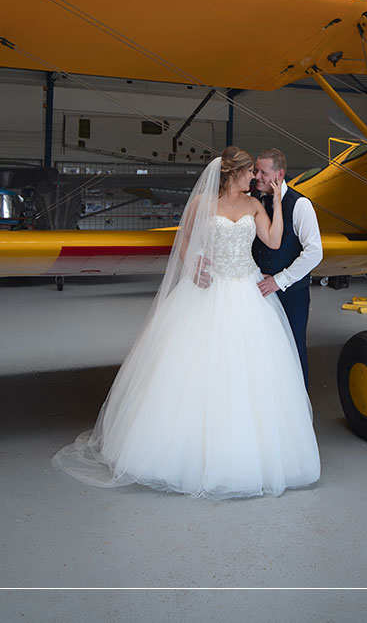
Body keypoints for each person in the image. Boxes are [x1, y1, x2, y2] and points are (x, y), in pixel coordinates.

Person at [52, 147, 320, 499]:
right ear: (233, 174)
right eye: (249, 172)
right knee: (195, 369)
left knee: (249, 372)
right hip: (209, 290)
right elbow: (185, 242)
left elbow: (272, 239)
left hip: (246, 291)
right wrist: (193, 264)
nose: (255, 178)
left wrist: (277, 206)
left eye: (257, 173)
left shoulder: (257, 205)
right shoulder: (201, 205)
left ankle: (243, 452)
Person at [251, 148, 323, 390]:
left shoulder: (300, 205)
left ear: (280, 174)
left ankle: (299, 408)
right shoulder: (254, 200)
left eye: (263, 172)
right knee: (260, 349)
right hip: (257, 291)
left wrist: (279, 280)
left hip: (291, 293)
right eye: (256, 170)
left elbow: (314, 252)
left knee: (293, 348)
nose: (256, 176)